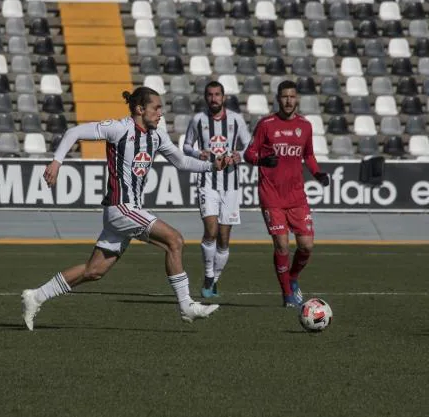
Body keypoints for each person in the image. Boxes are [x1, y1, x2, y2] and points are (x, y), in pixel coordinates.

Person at [21, 86, 234, 331]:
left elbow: (181, 161)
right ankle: (186, 306)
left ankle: (36, 296)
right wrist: (56, 163)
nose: (160, 113)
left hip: (125, 212)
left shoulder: (157, 135)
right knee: (174, 240)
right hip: (121, 207)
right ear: (140, 109)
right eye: (156, 108)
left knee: (94, 271)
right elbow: (74, 131)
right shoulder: (119, 128)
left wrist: (212, 166)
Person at [244, 80, 330, 308]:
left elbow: (308, 155)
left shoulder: (305, 126)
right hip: (271, 196)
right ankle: (287, 294)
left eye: (292, 96)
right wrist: (262, 160)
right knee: (282, 246)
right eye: (284, 97)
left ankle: (292, 278)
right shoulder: (266, 125)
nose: (288, 101)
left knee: (306, 246)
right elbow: (249, 154)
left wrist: (318, 173)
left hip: (296, 197)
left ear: (297, 99)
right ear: (278, 98)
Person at [183, 81, 251, 298]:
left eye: (217, 95)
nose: (213, 98)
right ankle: (209, 275)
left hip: (230, 186)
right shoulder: (198, 120)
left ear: (223, 97)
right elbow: (186, 145)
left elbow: (249, 145)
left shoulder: (236, 120)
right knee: (211, 231)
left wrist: (240, 155)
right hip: (207, 182)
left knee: (223, 238)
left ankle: (215, 280)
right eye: (210, 95)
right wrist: (197, 154)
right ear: (205, 97)